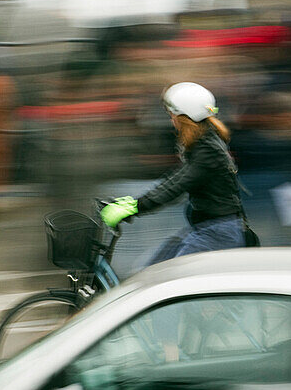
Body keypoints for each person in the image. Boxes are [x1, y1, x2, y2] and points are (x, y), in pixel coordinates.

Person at [100, 82, 249, 263]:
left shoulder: (208, 151)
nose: (172, 119)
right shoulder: (204, 142)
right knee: (151, 268)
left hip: (217, 233)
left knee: (166, 279)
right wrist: (131, 203)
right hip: (206, 229)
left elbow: (175, 187)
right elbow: (173, 180)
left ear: (184, 117)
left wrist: (135, 207)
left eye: (173, 115)